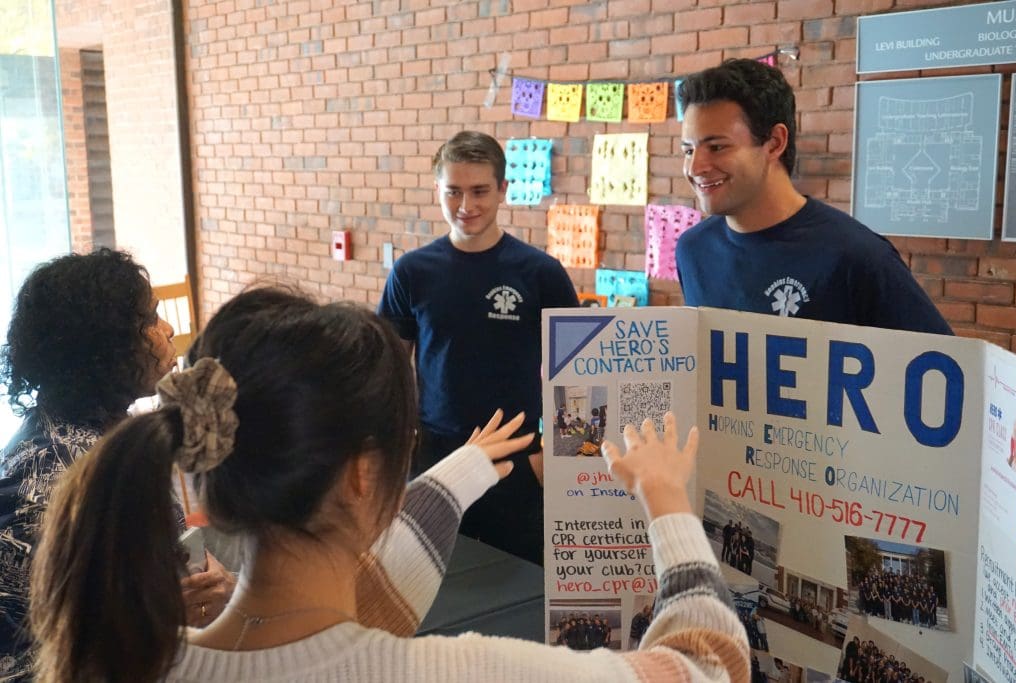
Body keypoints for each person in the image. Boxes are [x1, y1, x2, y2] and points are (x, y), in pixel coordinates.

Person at [29, 287, 749, 683]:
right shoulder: (464, 671)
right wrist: (666, 498)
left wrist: (460, 471)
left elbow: (357, 605)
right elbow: (710, 666)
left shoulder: (126, 657)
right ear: (366, 473)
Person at [0, 249, 233, 681]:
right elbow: (24, 663)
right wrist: (151, 620)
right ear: (104, 346)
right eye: (150, 319)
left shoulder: (110, 431)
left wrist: (206, 583)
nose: (168, 330)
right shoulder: (41, 485)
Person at [377, 130, 580, 564]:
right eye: (453, 192)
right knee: (432, 592)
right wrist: (394, 452)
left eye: (480, 191)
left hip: (519, 464)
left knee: (521, 594)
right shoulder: (411, 272)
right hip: (433, 459)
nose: (466, 206)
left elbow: (583, 376)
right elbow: (387, 371)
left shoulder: (541, 273)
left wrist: (556, 460)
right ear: (438, 190)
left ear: (504, 190)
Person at [674, 58, 953, 335]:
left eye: (717, 147)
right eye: (688, 150)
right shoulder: (693, 250)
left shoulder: (857, 257)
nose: (695, 168)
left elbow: (946, 369)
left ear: (774, 143)